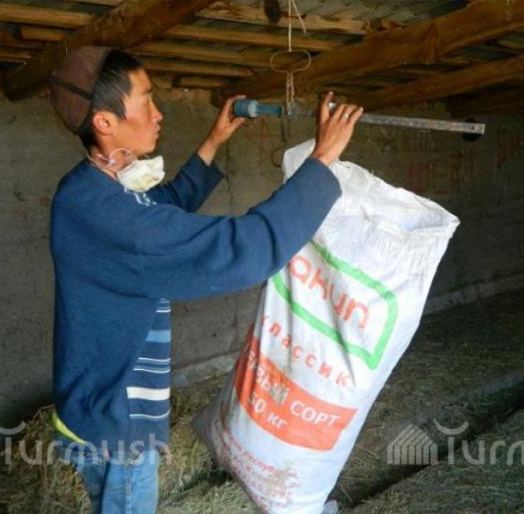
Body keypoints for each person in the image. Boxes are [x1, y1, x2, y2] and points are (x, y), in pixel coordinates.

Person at [46, 45, 363, 513]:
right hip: (117, 427)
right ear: (105, 121)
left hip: (94, 409)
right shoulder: (105, 213)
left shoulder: (93, 185)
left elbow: (160, 208)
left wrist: (213, 142)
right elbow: (242, 250)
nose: (159, 114)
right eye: (146, 100)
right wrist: (322, 162)